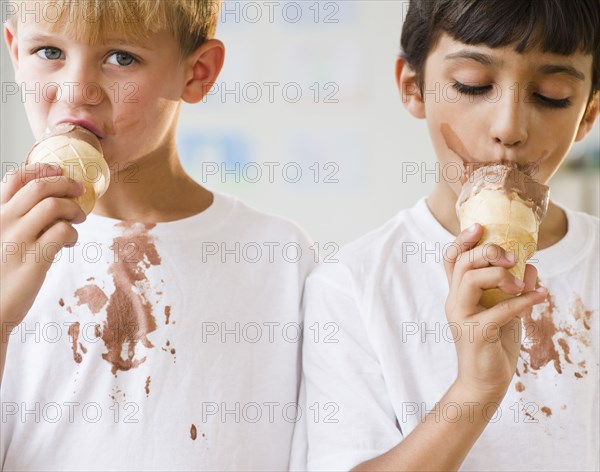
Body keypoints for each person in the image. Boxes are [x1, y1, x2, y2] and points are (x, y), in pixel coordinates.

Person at [0, 1, 313, 470]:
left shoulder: (279, 257)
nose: (76, 91)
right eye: (48, 51)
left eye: (121, 58)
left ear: (197, 73)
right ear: (15, 55)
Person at [300, 0, 600, 470]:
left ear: (587, 114)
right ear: (413, 88)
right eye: (472, 85)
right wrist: (474, 393)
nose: (509, 127)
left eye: (552, 94)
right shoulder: (351, 286)